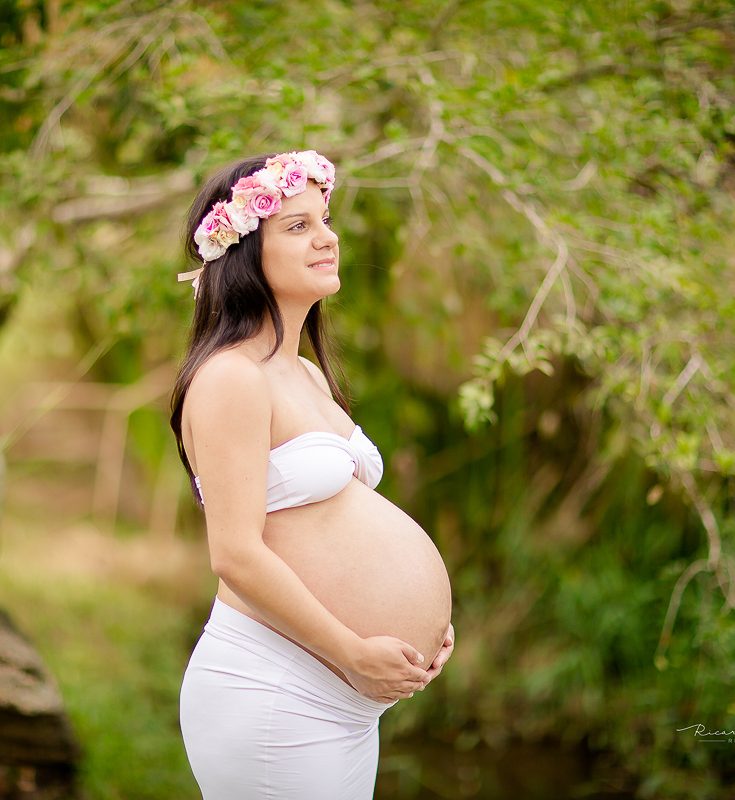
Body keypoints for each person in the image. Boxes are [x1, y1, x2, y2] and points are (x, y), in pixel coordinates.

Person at [170, 151, 454, 799]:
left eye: (324, 220)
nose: (327, 237)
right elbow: (235, 554)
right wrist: (354, 651)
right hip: (278, 691)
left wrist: (423, 628)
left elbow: (332, 528)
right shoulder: (229, 379)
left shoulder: (303, 373)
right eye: (296, 226)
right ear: (242, 252)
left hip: (340, 701)